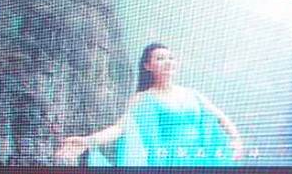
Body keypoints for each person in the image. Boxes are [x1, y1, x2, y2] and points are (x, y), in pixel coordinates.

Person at [56, 43, 243, 166]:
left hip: (198, 159)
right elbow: (120, 128)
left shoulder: (193, 94)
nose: (167, 62)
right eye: (160, 59)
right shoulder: (144, 98)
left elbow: (221, 118)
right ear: (148, 66)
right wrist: (88, 141)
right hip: (166, 162)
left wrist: (235, 140)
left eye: (170, 58)